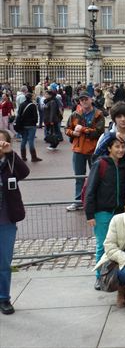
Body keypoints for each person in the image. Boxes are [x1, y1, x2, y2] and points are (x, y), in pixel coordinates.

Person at [85, 137, 125, 291]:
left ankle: (112, 274)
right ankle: (99, 277)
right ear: (109, 148)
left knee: (118, 245)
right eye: (117, 146)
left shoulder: (123, 165)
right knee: (102, 246)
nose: (120, 150)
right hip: (102, 212)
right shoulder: (101, 164)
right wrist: (89, 214)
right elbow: (90, 189)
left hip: (119, 212)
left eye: (123, 146)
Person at [0, 129, 30, 315]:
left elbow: (24, 172)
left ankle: (4, 298)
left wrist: (11, 152)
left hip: (6, 220)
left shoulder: (10, 162)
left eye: (2, 141)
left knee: (4, 262)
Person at [65, 91, 106, 211]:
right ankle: (78, 201)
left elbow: (99, 132)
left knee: (96, 176)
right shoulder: (75, 114)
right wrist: (73, 132)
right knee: (79, 177)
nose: (83, 101)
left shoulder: (98, 114)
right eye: (81, 100)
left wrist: (83, 130)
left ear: (91, 99)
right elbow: (67, 129)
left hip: (93, 150)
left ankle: (96, 200)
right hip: (78, 150)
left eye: (85, 99)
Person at [15, 93, 42, 162]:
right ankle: (33, 157)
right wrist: (35, 123)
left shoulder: (22, 105)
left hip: (23, 125)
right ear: (31, 98)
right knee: (31, 141)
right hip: (31, 125)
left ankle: (23, 157)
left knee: (24, 140)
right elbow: (35, 116)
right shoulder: (33, 105)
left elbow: (19, 114)